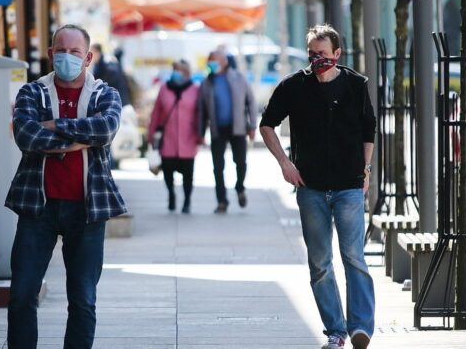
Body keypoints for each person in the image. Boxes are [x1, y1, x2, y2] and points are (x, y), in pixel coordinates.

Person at [5, 24, 127, 349]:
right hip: (38, 208)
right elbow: (26, 135)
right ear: (50, 54)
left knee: (83, 300)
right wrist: (77, 141)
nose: (67, 57)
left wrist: (56, 126)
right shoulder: (32, 92)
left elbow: (105, 129)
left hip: (88, 210)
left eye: (75, 52)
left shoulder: (105, 94)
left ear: (88, 58)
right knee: (21, 295)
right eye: (61, 50)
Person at [259, 24, 376, 349]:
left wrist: (365, 169)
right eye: (312, 54)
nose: (317, 60)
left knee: (353, 256)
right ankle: (336, 331)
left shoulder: (355, 85)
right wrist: (285, 163)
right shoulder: (294, 86)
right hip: (310, 188)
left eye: (323, 54)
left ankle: (361, 328)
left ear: (337, 54)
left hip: (349, 187)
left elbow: (369, 130)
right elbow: (267, 124)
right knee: (320, 261)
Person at [198, 49, 258, 214]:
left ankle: (240, 187)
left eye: (214, 60)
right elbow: (202, 110)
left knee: (240, 162)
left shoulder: (239, 78)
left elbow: (251, 102)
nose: (211, 63)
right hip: (217, 129)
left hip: (238, 127)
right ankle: (222, 201)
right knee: (218, 167)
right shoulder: (207, 83)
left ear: (224, 61)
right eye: (210, 60)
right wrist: (201, 133)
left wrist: (253, 126)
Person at [147, 59, 201, 213]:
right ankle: (171, 194)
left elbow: (200, 114)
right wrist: (151, 135)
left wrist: (200, 133)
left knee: (188, 174)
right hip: (168, 138)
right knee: (168, 171)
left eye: (179, 70)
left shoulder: (195, 89)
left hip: (188, 139)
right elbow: (156, 113)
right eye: (174, 69)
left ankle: (187, 201)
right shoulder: (164, 88)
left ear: (186, 72)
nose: (175, 72)